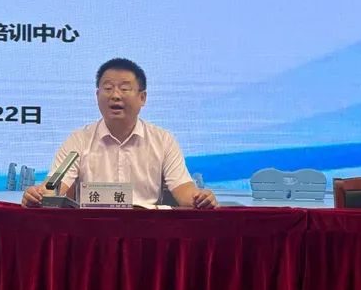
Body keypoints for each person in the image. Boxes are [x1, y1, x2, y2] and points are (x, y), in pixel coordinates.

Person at [22, 58, 217, 208]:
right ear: (97, 95)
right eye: (107, 88)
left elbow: (183, 189)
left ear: (142, 98)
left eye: (124, 88)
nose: (115, 95)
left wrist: (199, 198)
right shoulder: (78, 140)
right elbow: (54, 187)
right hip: (92, 231)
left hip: (146, 230)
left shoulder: (163, 140)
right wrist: (38, 195)